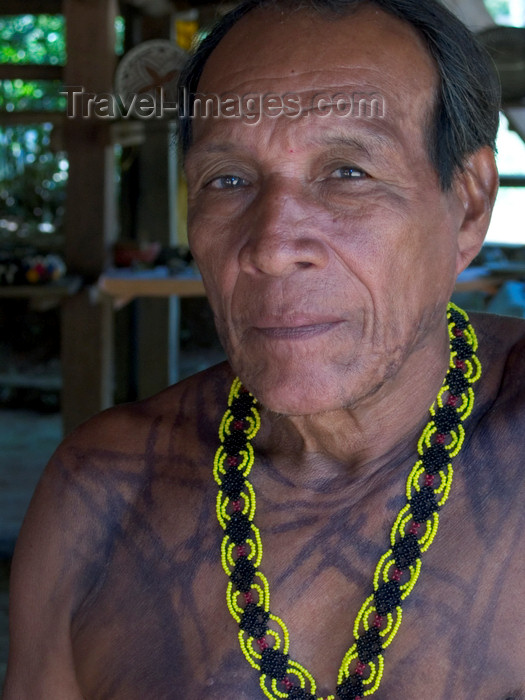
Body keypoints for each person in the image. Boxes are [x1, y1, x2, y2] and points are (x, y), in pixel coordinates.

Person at [4, 0, 525, 698]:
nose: (273, 246)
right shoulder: (98, 496)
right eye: (228, 181)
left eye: (347, 172)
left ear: (465, 204)